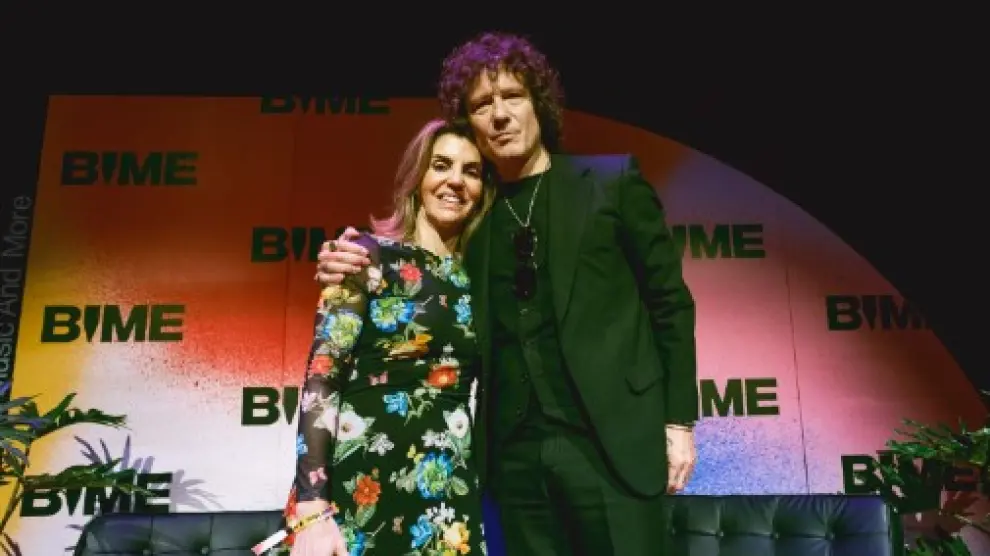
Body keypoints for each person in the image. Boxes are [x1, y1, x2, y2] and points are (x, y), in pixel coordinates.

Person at [315, 32, 699, 556]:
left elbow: (670, 303)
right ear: (468, 122)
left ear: (538, 104)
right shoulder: (473, 218)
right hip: (512, 464)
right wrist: (348, 256)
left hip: (610, 448)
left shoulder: (611, 182)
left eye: (512, 96)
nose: (499, 114)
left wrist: (677, 422)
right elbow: (414, 263)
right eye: (481, 104)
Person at [285, 118, 494, 556]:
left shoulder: (483, 279)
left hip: (447, 498)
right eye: (441, 165)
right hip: (358, 487)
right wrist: (312, 508)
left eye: (471, 171)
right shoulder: (365, 256)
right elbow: (322, 381)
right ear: (418, 177)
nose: (455, 180)